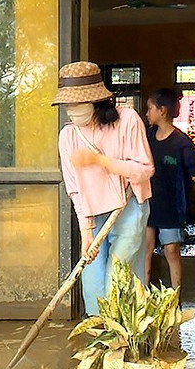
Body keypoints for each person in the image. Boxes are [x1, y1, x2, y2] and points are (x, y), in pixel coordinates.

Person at [53, 61, 155, 316]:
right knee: (93, 282)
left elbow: (146, 169)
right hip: (92, 213)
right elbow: (75, 189)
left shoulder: (127, 121)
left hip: (129, 208)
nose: (72, 111)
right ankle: (102, 342)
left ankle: (127, 341)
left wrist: (103, 162)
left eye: (76, 104)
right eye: (68, 105)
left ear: (96, 101)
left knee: (119, 278)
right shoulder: (68, 137)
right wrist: (86, 232)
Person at [144, 88, 195, 289]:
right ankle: (142, 296)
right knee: (146, 247)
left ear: (162, 111)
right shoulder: (147, 136)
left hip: (172, 206)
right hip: (147, 202)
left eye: (150, 109)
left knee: (171, 250)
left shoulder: (182, 144)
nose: (147, 113)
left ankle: (174, 297)